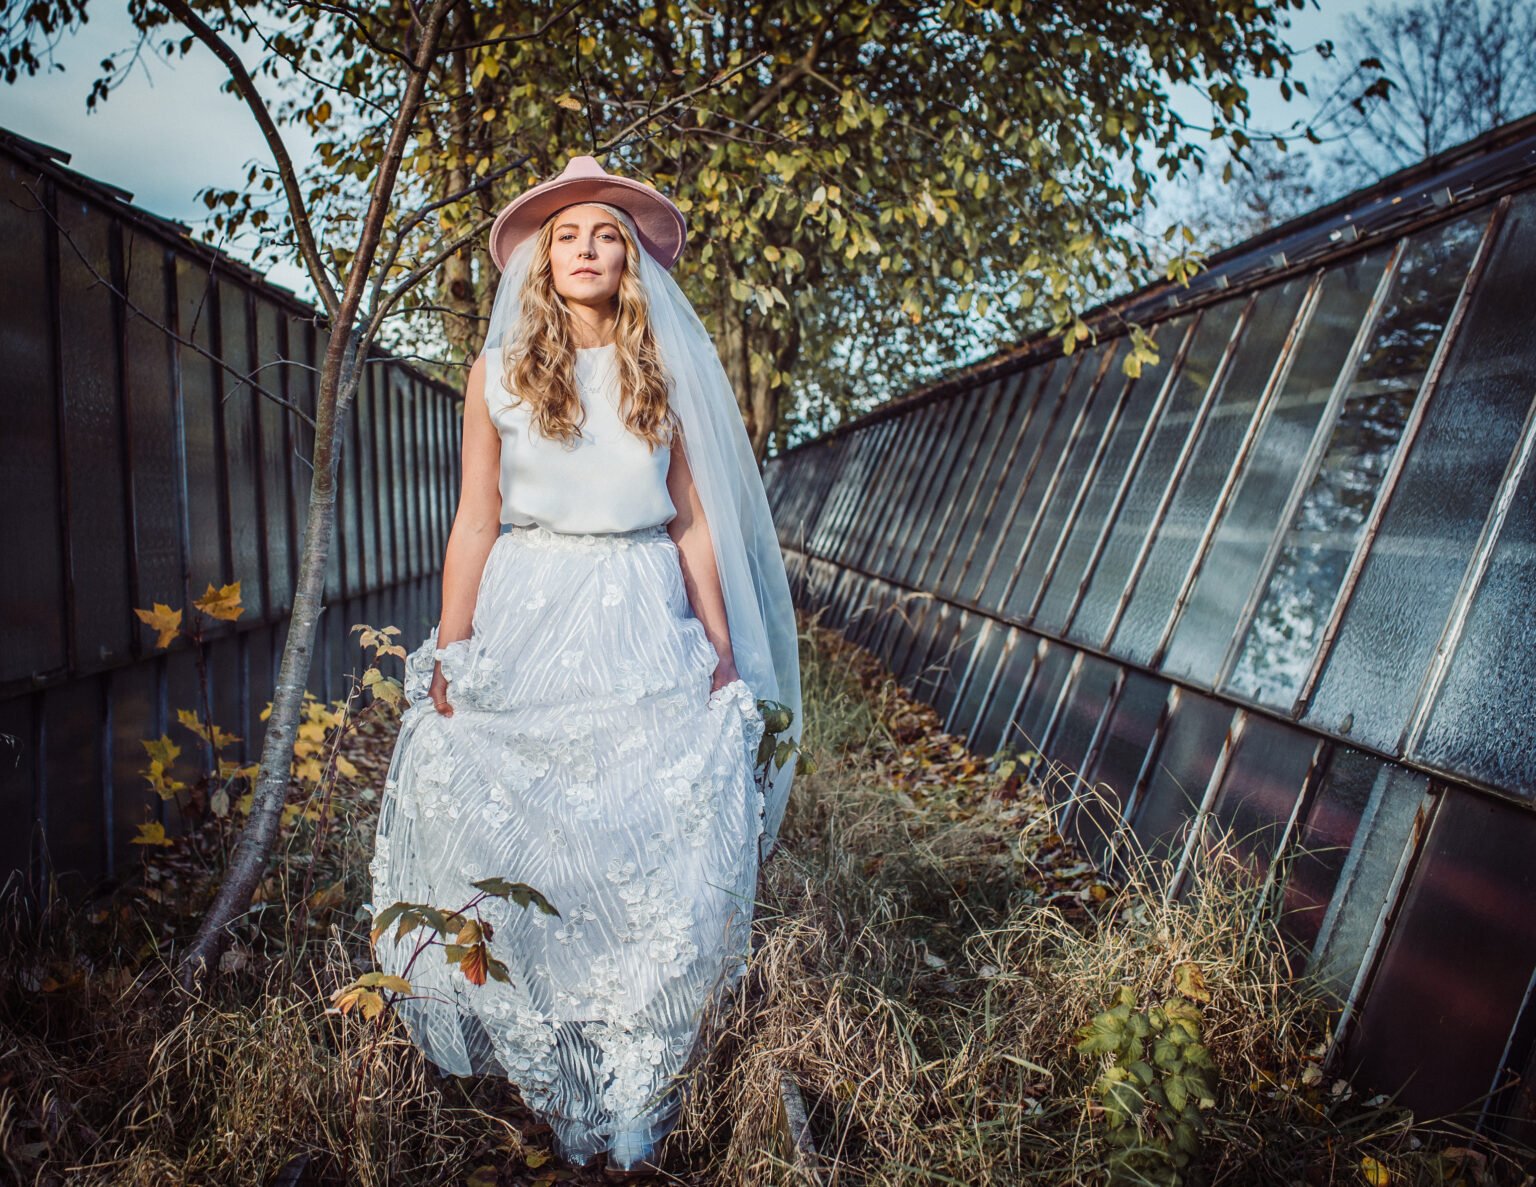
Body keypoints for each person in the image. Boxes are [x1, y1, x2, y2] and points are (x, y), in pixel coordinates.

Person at [365, 155, 802, 1178]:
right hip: (529, 609)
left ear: (631, 257)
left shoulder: (664, 375)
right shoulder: (499, 376)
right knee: (533, 835)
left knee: (646, 839)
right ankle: (552, 1058)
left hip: (643, 606)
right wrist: (453, 643)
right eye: (567, 236)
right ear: (542, 259)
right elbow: (475, 517)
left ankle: (636, 1084)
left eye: (605, 234)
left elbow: (692, 522)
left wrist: (720, 643)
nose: (587, 250)